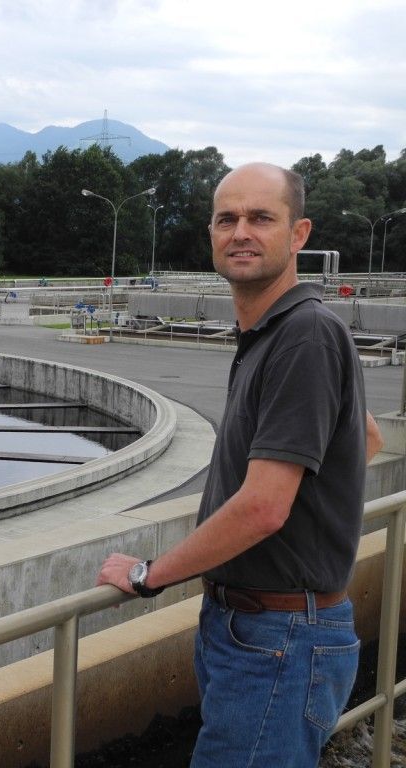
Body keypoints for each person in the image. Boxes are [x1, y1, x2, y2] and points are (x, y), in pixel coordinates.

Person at [96, 162, 384, 767]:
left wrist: (152, 575)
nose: (241, 232)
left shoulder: (302, 335)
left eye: (261, 217)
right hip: (262, 630)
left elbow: (262, 506)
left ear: (299, 234)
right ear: (211, 235)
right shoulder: (278, 332)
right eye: (227, 219)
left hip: (279, 640)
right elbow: (366, 439)